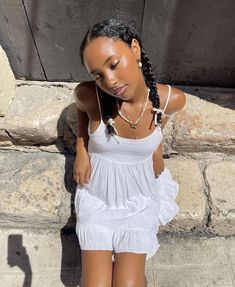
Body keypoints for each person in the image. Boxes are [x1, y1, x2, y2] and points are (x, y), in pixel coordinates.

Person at [73, 18, 186, 287]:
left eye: (113, 64)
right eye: (98, 75)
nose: (109, 81)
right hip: (97, 197)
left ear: (134, 49)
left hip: (138, 198)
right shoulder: (90, 97)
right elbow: (80, 111)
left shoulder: (172, 100)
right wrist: (82, 150)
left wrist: (156, 150)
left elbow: (160, 124)